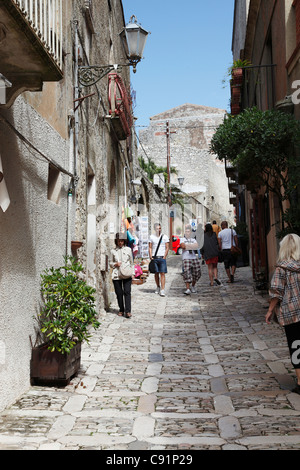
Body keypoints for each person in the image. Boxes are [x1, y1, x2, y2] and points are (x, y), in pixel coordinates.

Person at [265, 234, 300, 394]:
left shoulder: (282, 268)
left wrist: (270, 310)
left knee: (296, 344)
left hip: (292, 312)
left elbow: (276, 292)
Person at [111, 233, 134, 318]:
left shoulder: (128, 250)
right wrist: (115, 264)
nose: (120, 243)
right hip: (117, 274)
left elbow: (132, 262)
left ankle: (128, 311)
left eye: (121, 241)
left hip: (127, 273)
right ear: (116, 241)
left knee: (127, 292)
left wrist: (133, 273)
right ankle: (121, 309)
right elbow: (110, 263)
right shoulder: (113, 251)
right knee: (119, 293)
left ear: (124, 241)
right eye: (118, 241)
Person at [149, 223, 169, 297]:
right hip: (155, 257)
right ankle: (158, 286)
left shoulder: (164, 237)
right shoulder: (151, 237)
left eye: (160, 228)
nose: (159, 230)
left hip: (162, 257)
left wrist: (164, 256)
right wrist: (150, 256)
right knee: (156, 273)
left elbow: (167, 247)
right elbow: (150, 247)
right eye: (157, 228)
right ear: (155, 229)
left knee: (162, 273)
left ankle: (162, 289)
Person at [180, 224, 201, 295]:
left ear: (191, 233)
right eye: (186, 231)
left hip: (193, 258)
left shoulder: (193, 239)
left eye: (188, 232)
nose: (187, 233)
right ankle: (188, 288)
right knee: (187, 273)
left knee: (197, 273)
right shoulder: (182, 239)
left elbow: (196, 246)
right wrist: (191, 246)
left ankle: (193, 286)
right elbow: (182, 246)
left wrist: (187, 246)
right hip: (186, 258)